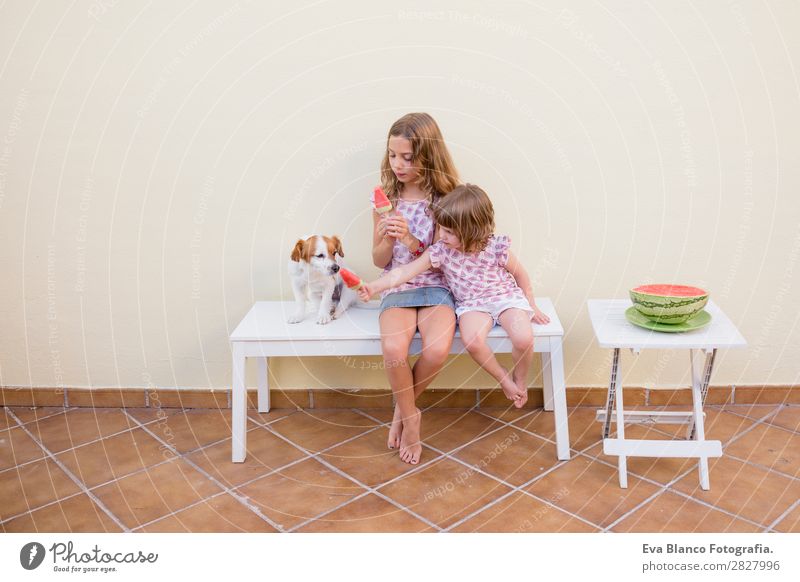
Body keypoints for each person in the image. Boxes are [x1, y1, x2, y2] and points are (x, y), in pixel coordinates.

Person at [361, 183, 550, 414]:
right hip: (472, 306)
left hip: (506, 298)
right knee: (473, 341)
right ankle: (503, 378)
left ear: (472, 231)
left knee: (524, 338)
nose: (441, 235)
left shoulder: (495, 247)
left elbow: (520, 274)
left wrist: (531, 305)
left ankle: (520, 379)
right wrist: (373, 286)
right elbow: (404, 272)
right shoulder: (440, 251)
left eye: (449, 232)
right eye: (441, 229)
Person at [371, 112, 460, 465]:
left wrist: (409, 237)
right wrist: (386, 239)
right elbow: (379, 261)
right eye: (393, 155)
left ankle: (402, 412)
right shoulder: (385, 198)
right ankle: (413, 417)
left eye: (408, 157)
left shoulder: (446, 198)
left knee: (437, 351)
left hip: (437, 285)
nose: (398, 164)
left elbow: (440, 257)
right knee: (394, 349)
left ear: (429, 154)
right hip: (398, 287)